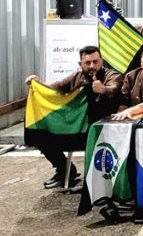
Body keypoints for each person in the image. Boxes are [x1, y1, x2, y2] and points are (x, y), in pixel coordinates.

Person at [25, 46, 123, 188]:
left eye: (95, 62)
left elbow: (114, 88)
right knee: (41, 137)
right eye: (87, 63)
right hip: (78, 130)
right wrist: (37, 83)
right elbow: (55, 88)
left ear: (101, 61)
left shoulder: (112, 75)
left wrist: (103, 89)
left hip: (103, 131)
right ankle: (65, 171)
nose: (92, 66)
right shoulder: (77, 76)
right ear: (80, 64)